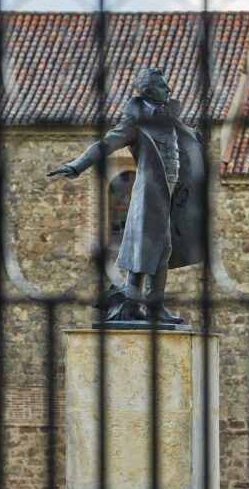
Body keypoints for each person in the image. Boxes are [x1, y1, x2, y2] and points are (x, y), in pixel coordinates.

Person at [47, 67, 204, 323]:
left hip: (175, 192)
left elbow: (187, 141)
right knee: (156, 248)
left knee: (154, 248)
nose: (169, 90)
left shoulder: (170, 118)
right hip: (151, 194)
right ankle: (150, 306)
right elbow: (105, 143)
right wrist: (76, 165)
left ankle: (136, 304)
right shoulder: (136, 122)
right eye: (163, 86)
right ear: (149, 90)